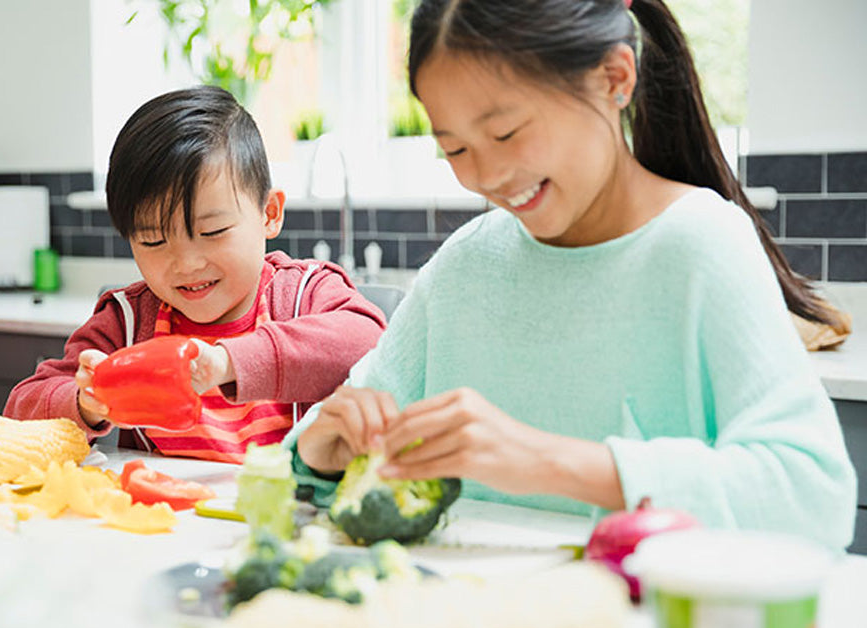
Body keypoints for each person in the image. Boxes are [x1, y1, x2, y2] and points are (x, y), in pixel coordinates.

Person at [290, 0, 856, 549]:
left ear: (615, 78)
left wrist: (545, 461)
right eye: (455, 149)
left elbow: (813, 497)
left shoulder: (700, 243)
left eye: (507, 132)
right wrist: (320, 453)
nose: (487, 175)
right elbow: (323, 460)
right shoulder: (467, 262)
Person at [5, 86, 386, 463]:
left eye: (212, 232)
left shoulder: (302, 294)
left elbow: (369, 342)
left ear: (269, 213)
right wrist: (85, 403)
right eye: (153, 241)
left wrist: (226, 363)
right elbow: (20, 408)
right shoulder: (127, 321)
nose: (186, 264)